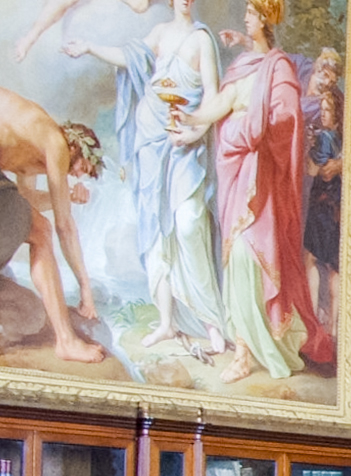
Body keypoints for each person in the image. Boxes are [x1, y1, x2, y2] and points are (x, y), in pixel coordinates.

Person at [173, 0, 332, 382]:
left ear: (263, 20)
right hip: (237, 174)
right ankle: (243, 349)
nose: (244, 17)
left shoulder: (279, 67)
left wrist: (249, 129)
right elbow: (222, 104)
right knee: (235, 260)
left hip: (263, 178)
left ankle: (248, 352)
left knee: (250, 260)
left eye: (250, 13)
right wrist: (189, 118)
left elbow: (287, 117)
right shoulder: (243, 66)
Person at [63, 0, 229, 355]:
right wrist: (90, 47)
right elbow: (129, 57)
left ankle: (210, 320)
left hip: (185, 145)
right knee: (154, 232)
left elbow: (213, 98)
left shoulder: (202, 40)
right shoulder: (160, 33)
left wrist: (194, 133)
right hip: (151, 143)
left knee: (188, 224)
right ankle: (167, 323)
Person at [0, 88, 106, 363]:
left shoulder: (29, 149)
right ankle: (66, 340)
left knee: (35, 227)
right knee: (43, 230)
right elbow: (64, 226)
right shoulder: (56, 141)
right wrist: (85, 287)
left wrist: (68, 196)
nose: (79, 173)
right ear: (74, 145)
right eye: (84, 165)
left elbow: (22, 204)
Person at [303, 88, 342, 327]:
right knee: (334, 268)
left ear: (337, 113)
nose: (323, 114)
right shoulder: (340, 140)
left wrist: (306, 149)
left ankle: (313, 319)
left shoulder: (325, 138)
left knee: (310, 259)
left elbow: (314, 171)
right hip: (336, 210)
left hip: (322, 209)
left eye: (328, 110)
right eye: (322, 110)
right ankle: (335, 328)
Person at [13, 0, 153, 62]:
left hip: (142, 47)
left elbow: (140, 5)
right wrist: (29, 39)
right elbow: (58, 3)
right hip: (97, 51)